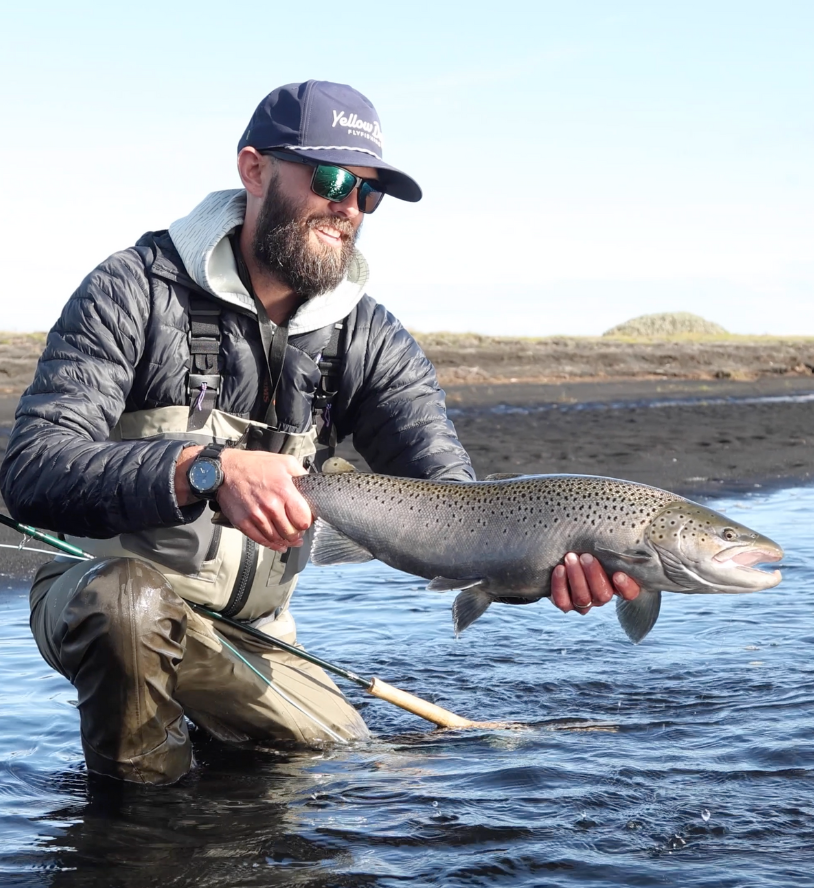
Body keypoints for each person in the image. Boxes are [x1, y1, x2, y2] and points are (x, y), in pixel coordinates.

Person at [0, 80, 640, 785]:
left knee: (353, 782)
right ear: (254, 170)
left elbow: (454, 504)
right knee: (129, 606)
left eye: (368, 193)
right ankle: (139, 823)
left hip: (260, 639)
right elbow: (32, 469)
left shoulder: (370, 338)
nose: (349, 207)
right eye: (333, 178)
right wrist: (203, 468)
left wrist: (540, 562)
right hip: (100, 598)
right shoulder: (131, 291)